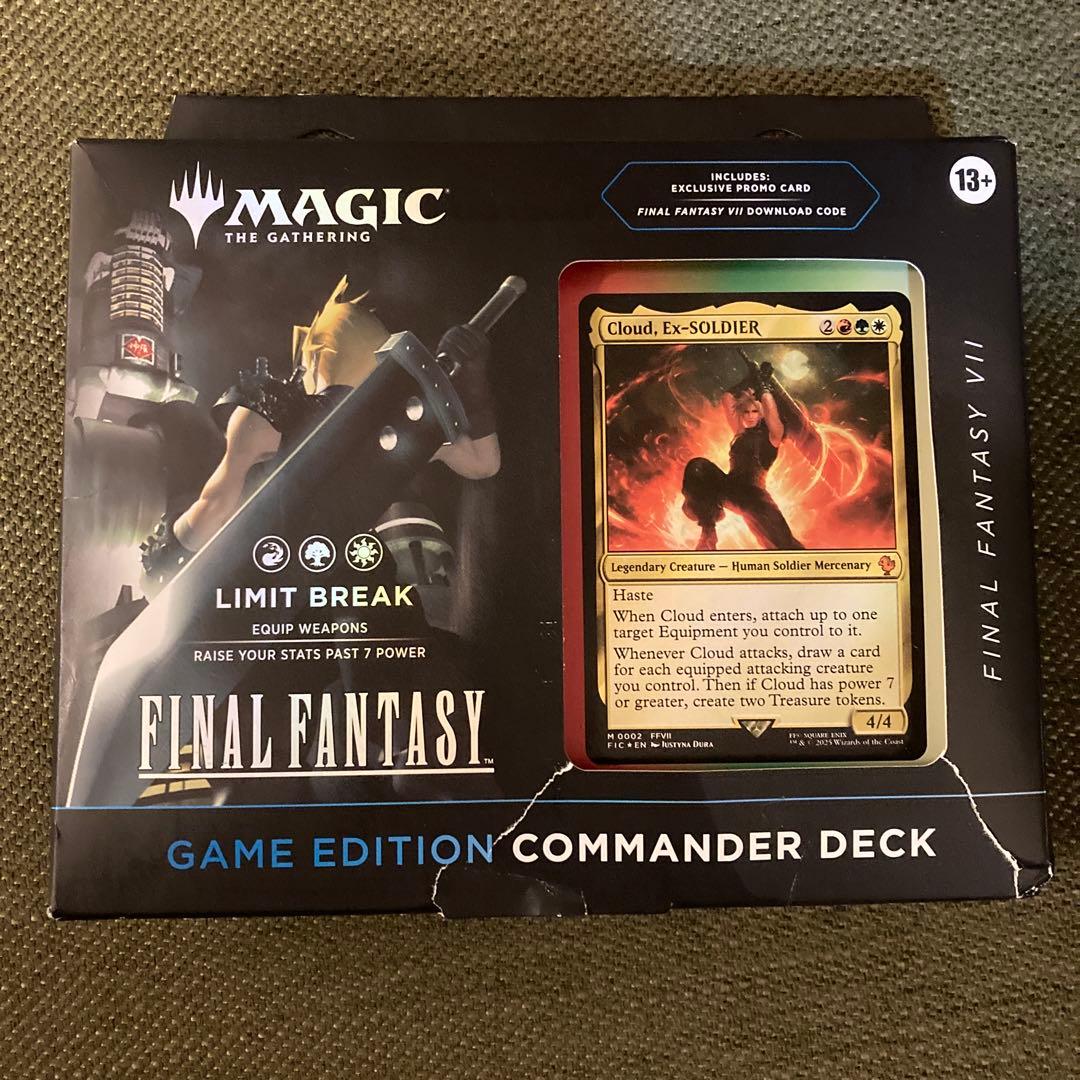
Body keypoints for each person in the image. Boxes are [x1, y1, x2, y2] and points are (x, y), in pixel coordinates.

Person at [681, 362, 804, 551]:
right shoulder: (740, 432)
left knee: (785, 547)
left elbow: (769, 408)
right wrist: (750, 378)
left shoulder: (774, 435)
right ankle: (708, 531)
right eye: (746, 412)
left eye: (755, 412)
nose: (750, 416)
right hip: (731, 488)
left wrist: (762, 384)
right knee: (698, 467)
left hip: (756, 500)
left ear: (762, 414)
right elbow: (727, 398)